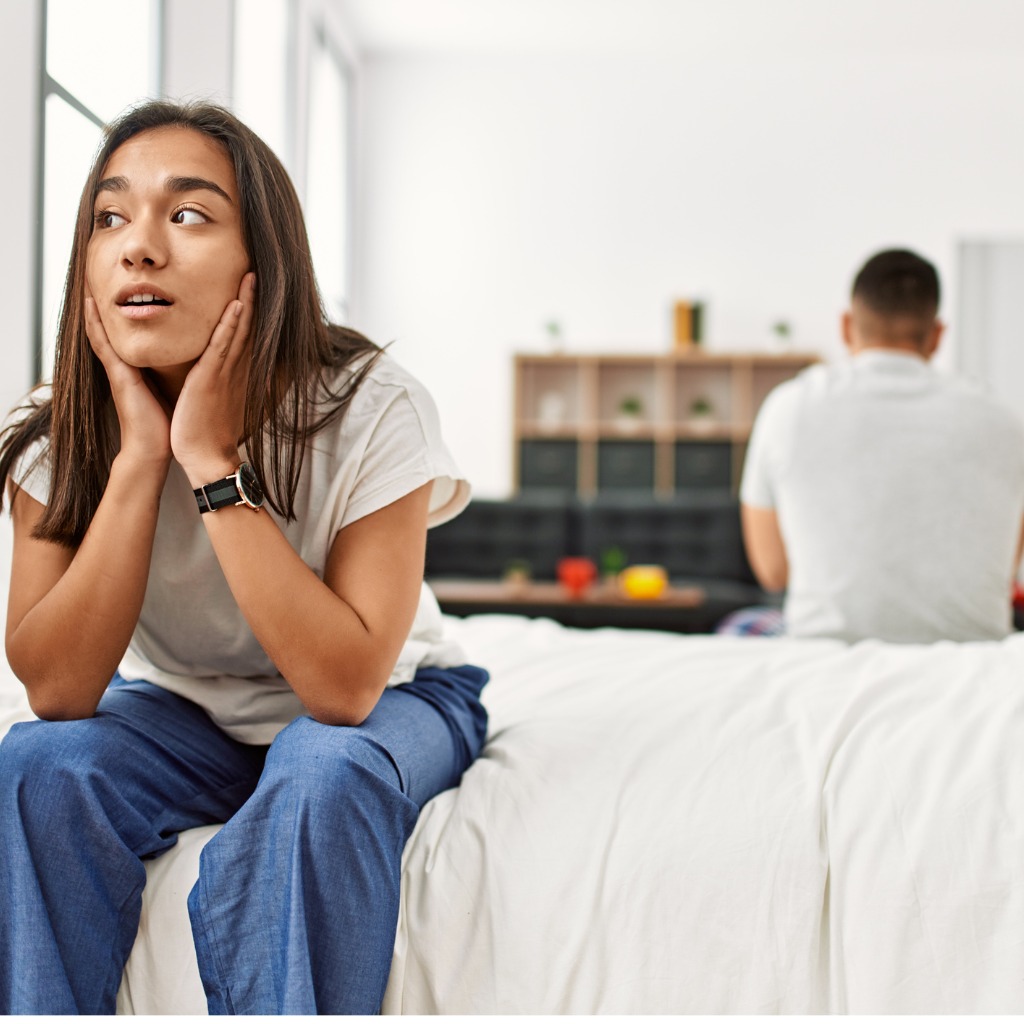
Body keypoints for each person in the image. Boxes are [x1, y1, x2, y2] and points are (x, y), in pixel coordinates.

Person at [0, 99, 489, 1015]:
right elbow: (59, 693)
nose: (138, 248)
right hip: (189, 713)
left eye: (187, 215)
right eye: (111, 218)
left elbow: (343, 695)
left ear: (263, 258)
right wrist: (143, 460)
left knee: (320, 773)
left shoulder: (372, 406)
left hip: (394, 696)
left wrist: (213, 465)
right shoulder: (58, 435)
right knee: (36, 765)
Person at [739, 247, 1024, 643]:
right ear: (938, 334)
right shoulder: (1005, 421)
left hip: (824, 654)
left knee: (740, 628)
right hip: (972, 659)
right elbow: (1003, 566)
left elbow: (773, 572)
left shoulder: (788, 407)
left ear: (845, 325)